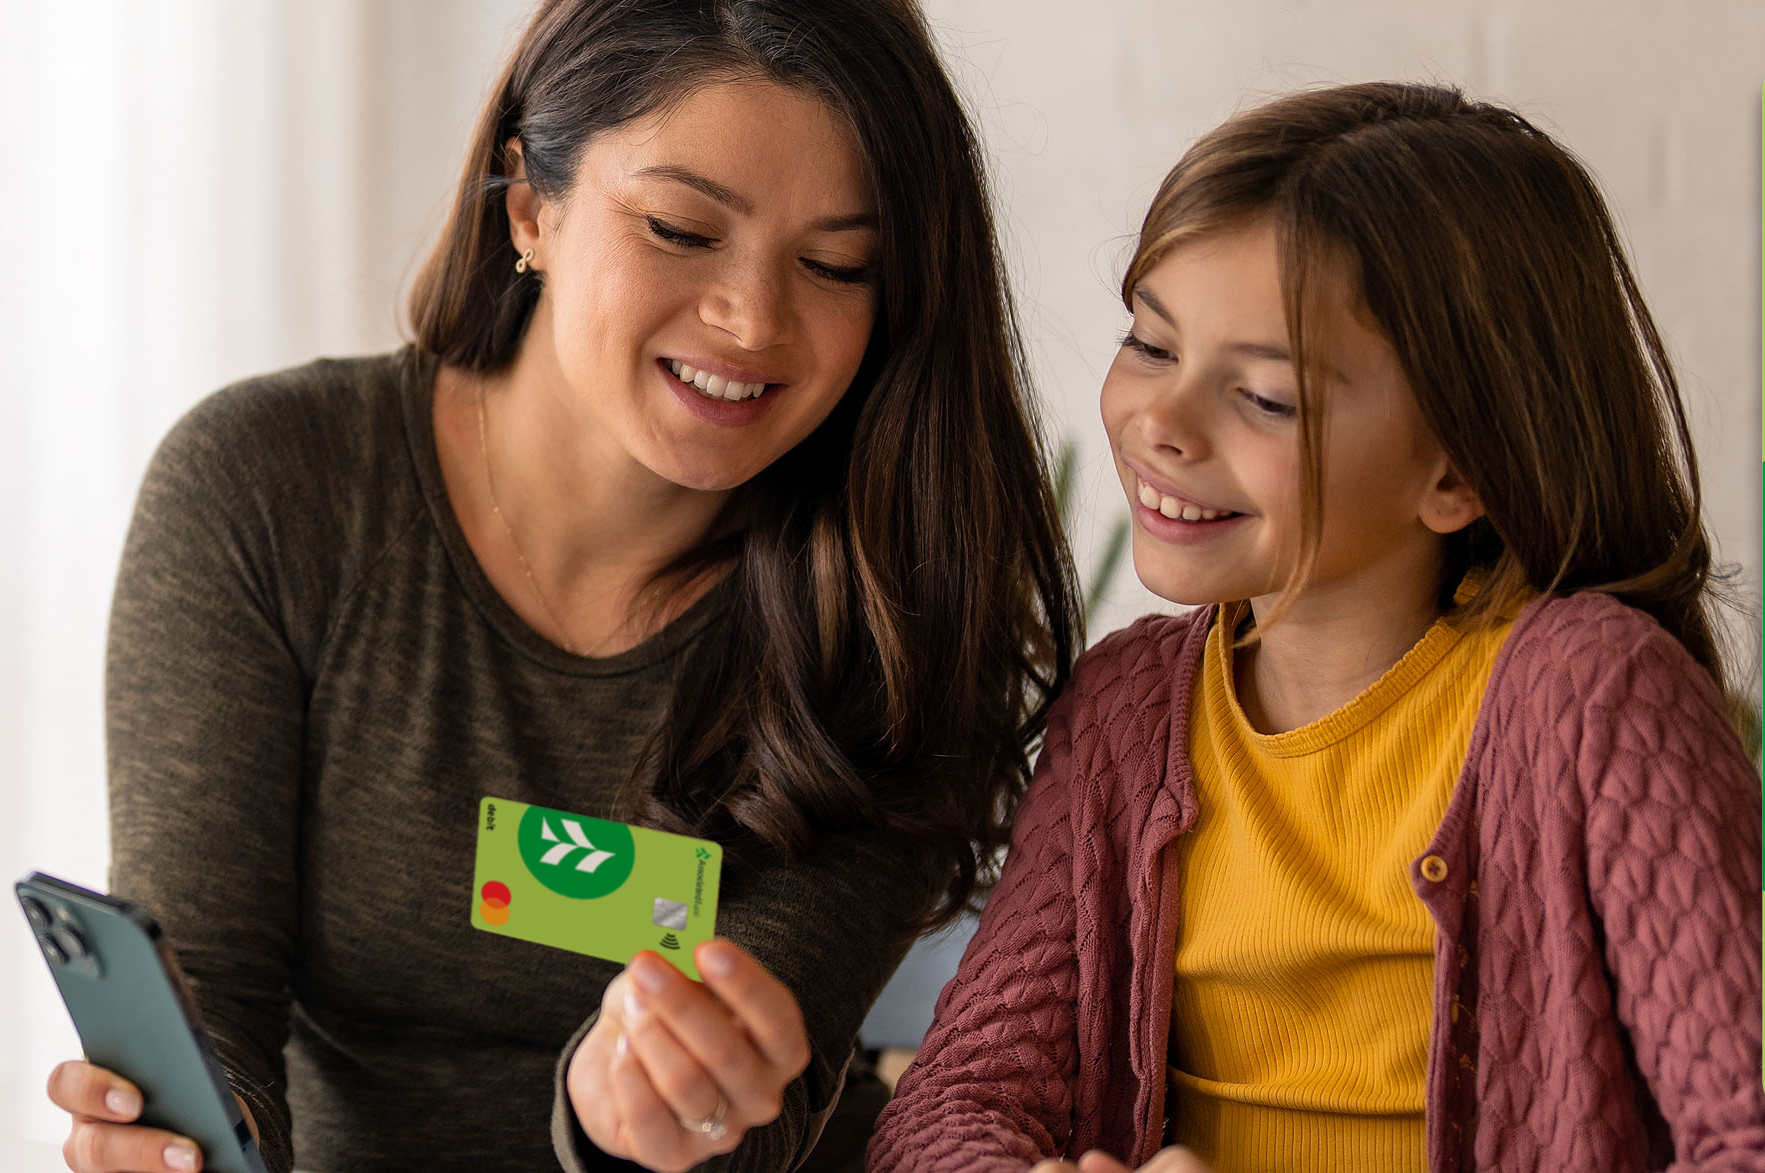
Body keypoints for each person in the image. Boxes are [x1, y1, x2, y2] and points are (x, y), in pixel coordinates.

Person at [43, 1, 1077, 1170]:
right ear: (530, 204)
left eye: (835, 263)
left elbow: (756, 1116)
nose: (752, 322)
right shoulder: (267, 490)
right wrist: (175, 1139)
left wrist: (628, 1111)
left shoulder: (901, 601)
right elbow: (210, 1008)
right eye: (682, 230)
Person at [870, 82, 1765, 1173]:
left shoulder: (1593, 702)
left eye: (1266, 399)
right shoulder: (1126, 718)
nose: (1161, 424)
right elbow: (950, 1105)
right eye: (1150, 345)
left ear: (1459, 469)